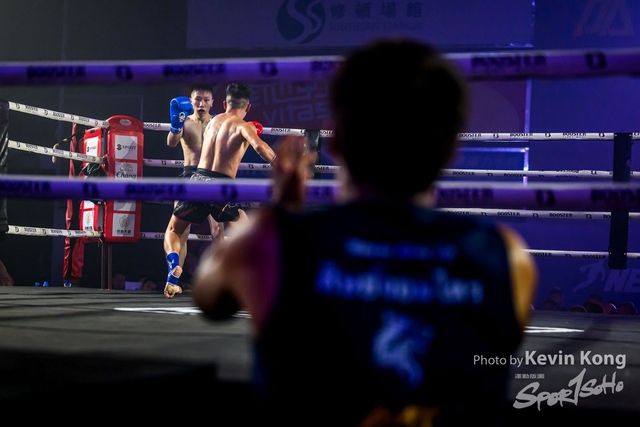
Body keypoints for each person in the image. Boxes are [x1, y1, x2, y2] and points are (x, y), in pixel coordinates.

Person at [192, 38, 538, 426]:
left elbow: (209, 296)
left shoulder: (270, 243)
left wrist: (283, 216)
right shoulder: (505, 259)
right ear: (451, 150)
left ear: (337, 140)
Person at [164, 82, 277, 299]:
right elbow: (260, 147)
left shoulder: (212, 122)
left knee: (174, 231)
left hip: (197, 181)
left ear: (224, 103)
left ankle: (173, 270)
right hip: (220, 188)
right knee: (247, 234)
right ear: (248, 107)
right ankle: (246, 283)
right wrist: (282, 164)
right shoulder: (244, 126)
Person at [163, 83, 222, 297]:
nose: (201, 104)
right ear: (191, 100)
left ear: (212, 102)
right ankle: (174, 280)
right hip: (189, 176)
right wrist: (176, 124)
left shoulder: (218, 123)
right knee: (182, 231)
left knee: (217, 231)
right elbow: (171, 143)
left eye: (206, 100)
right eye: (198, 99)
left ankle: (218, 281)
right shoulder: (185, 121)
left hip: (212, 177)